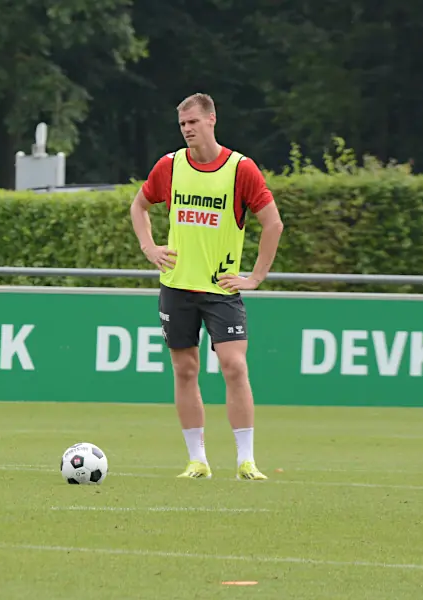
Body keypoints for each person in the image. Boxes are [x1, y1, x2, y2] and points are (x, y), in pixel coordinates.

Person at [129, 93, 284, 481]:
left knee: (234, 366)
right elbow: (139, 206)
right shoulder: (170, 165)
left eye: (193, 122)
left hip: (221, 288)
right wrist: (149, 247)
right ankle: (197, 460)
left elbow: (273, 223)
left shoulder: (240, 168)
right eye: (182, 124)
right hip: (177, 286)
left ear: (212, 120)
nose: (187, 130)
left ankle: (246, 460)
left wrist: (255, 277)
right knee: (185, 370)